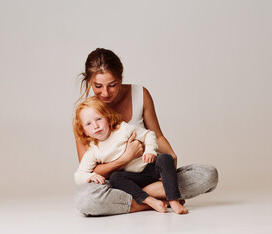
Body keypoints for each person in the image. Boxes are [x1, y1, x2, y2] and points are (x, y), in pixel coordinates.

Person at [74, 48, 218, 216]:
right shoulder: (85, 115)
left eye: (112, 85)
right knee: (86, 199)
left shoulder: (140, 94)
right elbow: (88, 171)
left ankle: (147, 195)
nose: (105, 93)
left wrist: (171, 157)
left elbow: (155, 134)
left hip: (146, 171)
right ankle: (157, 199)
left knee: (208, 175)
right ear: (89, 81)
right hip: (115, 184)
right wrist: (125, 158)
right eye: (98, 86)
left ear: (121, 78)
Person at [73, 97, 188, 214]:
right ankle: (150, 201)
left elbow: (148, 134)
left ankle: (173, 199)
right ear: (84, 131)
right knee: (115, 178)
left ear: (108, 118)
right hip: (133, 178)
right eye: (88, 124)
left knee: (165, 158)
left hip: (150, 167)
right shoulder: (93, 150)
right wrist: (90, 177)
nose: (95, 126)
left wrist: (150, 151)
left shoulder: (123, 129)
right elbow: (78, 175)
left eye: (98, 119)